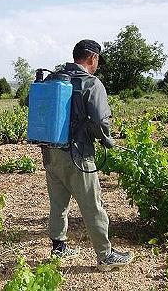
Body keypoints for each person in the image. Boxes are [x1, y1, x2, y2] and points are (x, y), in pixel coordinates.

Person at [42, 39, 134, 271]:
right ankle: (105, 256)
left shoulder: (53, 79)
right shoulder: (91, 83)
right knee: (93, 205)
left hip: (50, 153)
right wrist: (106, 140)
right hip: (77, 155)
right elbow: (101, 121)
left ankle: (58, 247)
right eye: (97, 61)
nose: (97, 65)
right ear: (92, 57)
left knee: (58, 203)